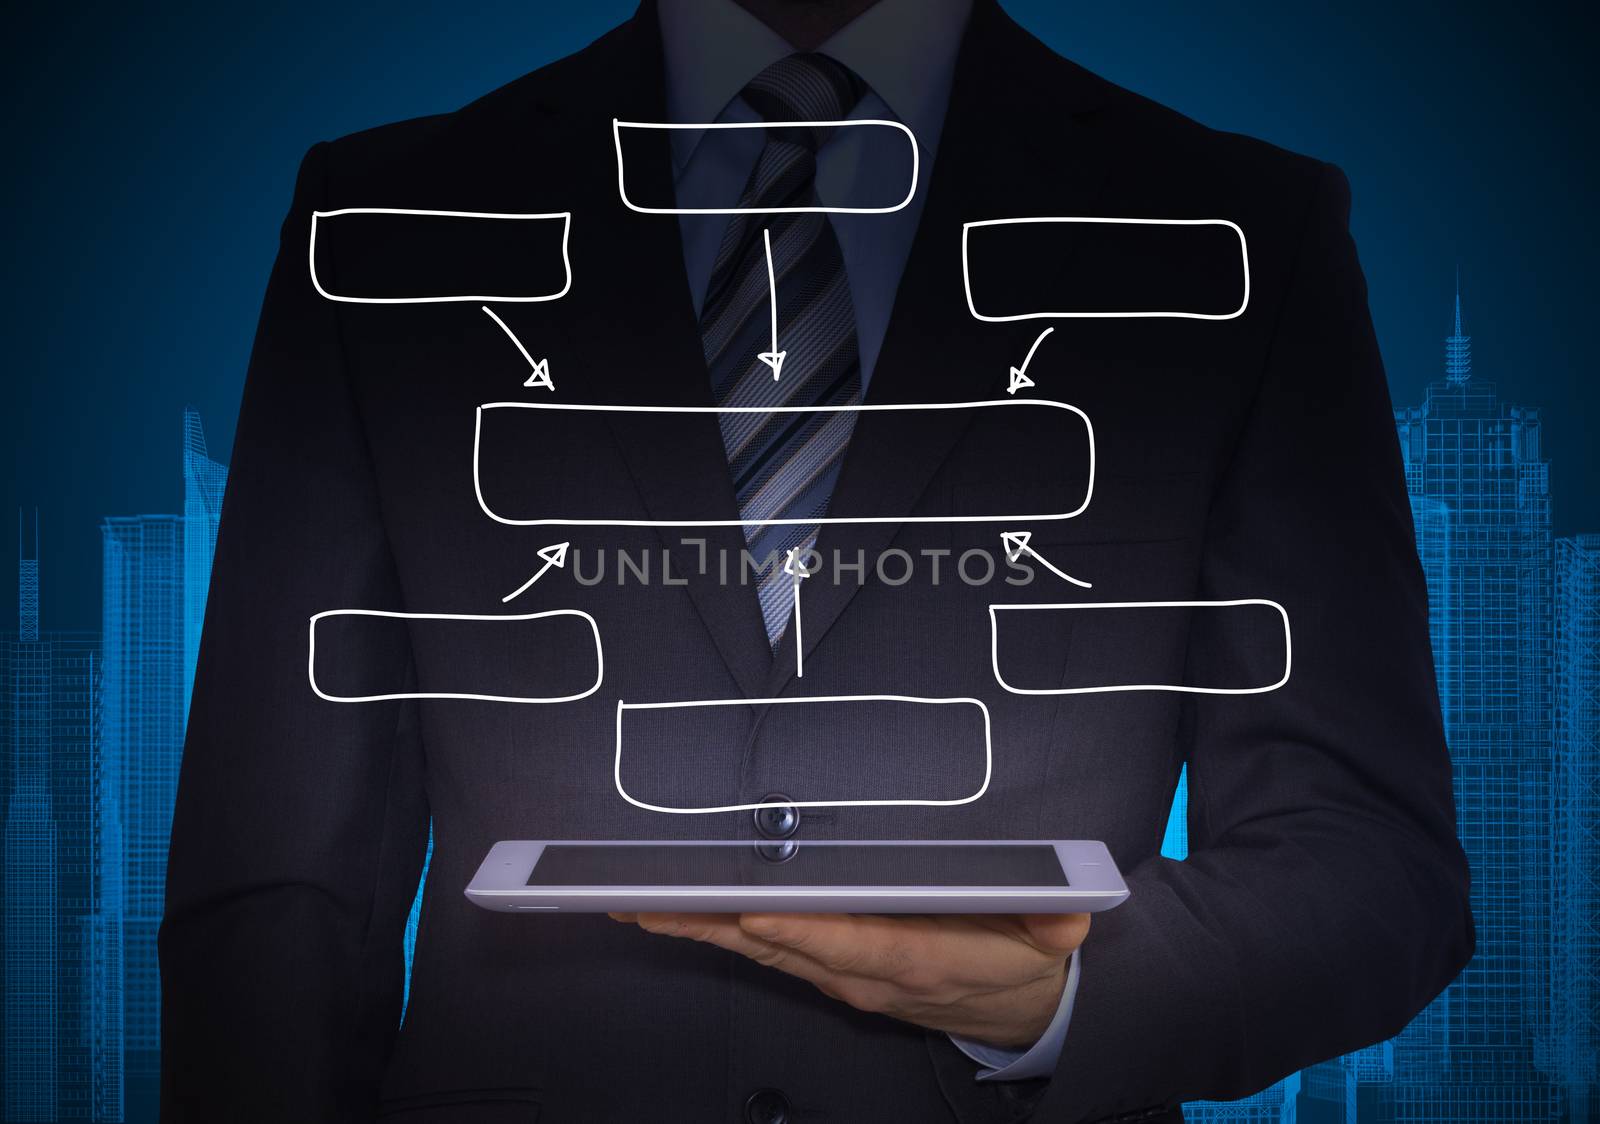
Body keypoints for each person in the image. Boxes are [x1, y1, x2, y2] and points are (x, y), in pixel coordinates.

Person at [159, 1, 1474, 1121]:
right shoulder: (385, 221)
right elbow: (276, 886)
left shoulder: (1244, 227)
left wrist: (1071, 998)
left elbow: (1370, 857)